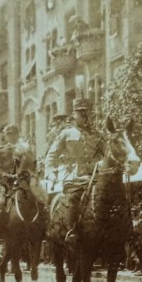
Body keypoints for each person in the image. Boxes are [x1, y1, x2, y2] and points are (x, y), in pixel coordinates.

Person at [44, 97, 104, 245]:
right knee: (74, 199)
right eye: (80, 113)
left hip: (96, 177)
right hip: (74, 178)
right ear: (74, 114)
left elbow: (106, 154)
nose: (84, 116)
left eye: (87, 113)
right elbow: (51, 156)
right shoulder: (67, 133)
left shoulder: (98, 135)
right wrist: (51, 173)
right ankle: (72, 231)